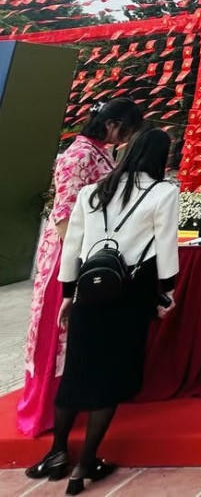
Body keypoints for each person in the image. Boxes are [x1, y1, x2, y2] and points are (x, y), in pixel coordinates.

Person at [27, 128, 179, 492]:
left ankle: (58, 452)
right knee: (110, 376)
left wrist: (69, 294)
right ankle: (86, 463)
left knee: (77, 371)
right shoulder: (164, 192)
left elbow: (72, 246)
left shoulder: (92, 192)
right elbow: (166, 246)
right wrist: (167, 292)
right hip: (131, 293)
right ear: (160, 157)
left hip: (88, 290)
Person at [18, 98, 145, 442]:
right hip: (70, 253)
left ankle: (73, 398)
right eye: (125, 131)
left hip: (90, 246)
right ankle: (50, 405)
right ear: (113, 124)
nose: (125, 139)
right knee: (60, 329)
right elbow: (63, 214)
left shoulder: (100, 152)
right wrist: (79, 259)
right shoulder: (78, 155)